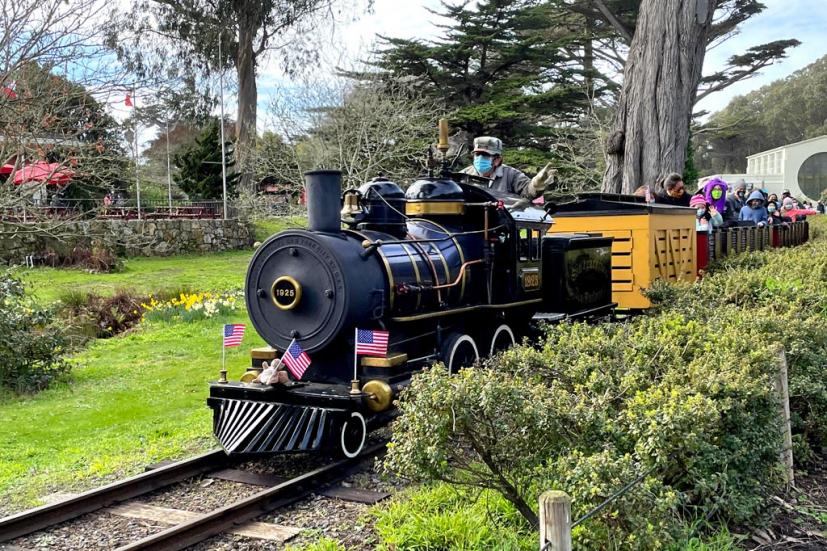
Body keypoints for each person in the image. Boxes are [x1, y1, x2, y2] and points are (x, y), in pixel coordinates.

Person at [461, 136, 555, 199]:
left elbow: (527, 192)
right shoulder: (463, 176)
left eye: (485, 155)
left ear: (497, 159)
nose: (480, 158)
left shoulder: (511, 175)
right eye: (477, 154)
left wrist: (536, 185)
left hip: (501, 225)